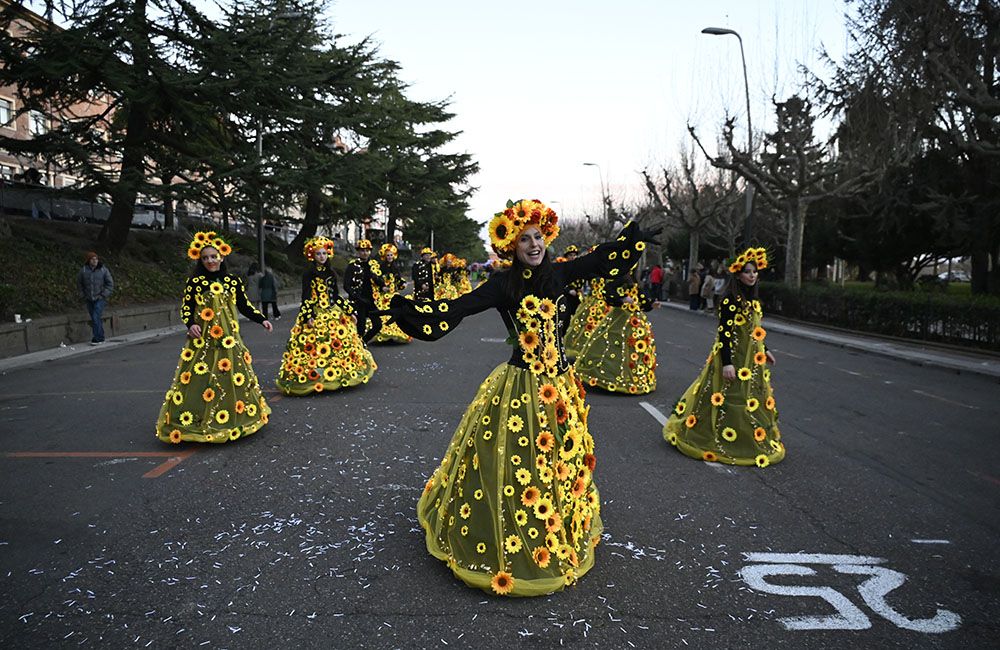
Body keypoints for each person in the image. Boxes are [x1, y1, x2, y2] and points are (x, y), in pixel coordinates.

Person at [380, 198, 660, 597]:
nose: (533, 244)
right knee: (513, 462)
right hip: (521, 386)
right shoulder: (502, 284)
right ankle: (505, 535)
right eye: (524, 238)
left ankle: (554, 524)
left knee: (556, 460)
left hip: (559, 386)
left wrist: (630, 238)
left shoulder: (560, 275)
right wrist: (409, 312)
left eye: (538, 236)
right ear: (510, 245)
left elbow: (600, 261)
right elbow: (458, 308)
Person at [663, 247, 784, 467]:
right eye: (747, 272)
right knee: (724, 395)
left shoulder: (753, 301)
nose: (752, 275)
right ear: (738, 274)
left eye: (755, 272)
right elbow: (724, 335)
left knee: (747, 397)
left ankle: (745, 437)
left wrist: (765, 350)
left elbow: (755, 329)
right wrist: (727, 363)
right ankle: (714, 436)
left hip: (751, 361)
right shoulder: (730, 300)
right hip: (733, 358)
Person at [155, 232, 273, 444]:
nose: (210, 260)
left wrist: (261, 319)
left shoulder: (232, 281)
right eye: (205, 258)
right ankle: (199, 418)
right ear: (200, 260)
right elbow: (187, 308)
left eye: (213, 256)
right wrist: (190, 325)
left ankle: (234, 417)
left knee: (231, 375)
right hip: (203, 339)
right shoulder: (195, 282)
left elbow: (244, 305)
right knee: (202, 375)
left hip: (229, 337)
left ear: (221, 257)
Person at [276, 237, 376, 394]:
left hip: (332, 310)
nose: (322, 256)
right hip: (316, 311)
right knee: (314, 346)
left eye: (324, 253)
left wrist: (349, 311)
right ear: (312, 256)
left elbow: (335, 296)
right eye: (318, 254)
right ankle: (316, 376)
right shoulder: (308, 274)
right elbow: (306, 296)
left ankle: (337, 375)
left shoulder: (331, 272)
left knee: (339, 344)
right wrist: (308, 314)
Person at [573, 276, 658, 394]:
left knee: (632, 349)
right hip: (619, 318)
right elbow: (608, 293)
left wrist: (651, 303)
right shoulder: (618, 279)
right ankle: (608, 376)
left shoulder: (633, 281)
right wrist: (622, 299)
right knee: (610, 344)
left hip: (634, 320)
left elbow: (641, 298)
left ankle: (633, 379)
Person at [344, 238, 384, 339]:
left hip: (371, 300)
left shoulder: (374, 265)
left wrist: (375, 277)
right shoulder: (352, 265)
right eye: (362, 250)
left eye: (367, 250)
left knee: (378, 324)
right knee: (360, 327)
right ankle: (360, 345)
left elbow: (381, 283)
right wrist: (355, 296)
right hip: (359, 301)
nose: (365, 253)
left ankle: (364, 341)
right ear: (358, 252)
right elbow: (346, 285)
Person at [372, 243, 412, 344]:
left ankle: (395, 334)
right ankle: (384, 334)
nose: (389, 257)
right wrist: (382, 286)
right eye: (388, 255)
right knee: (384, 313)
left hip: (394, 294)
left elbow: (398, 279)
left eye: (391, 255)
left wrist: (402, 283)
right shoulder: (381, 267)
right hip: (384, 295)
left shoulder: (395, 267)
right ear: (384, 256)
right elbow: (376, 278)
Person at [77, 251, 114, 345]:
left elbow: (110, 284)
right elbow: (79, 284)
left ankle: (96, 338)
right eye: (93, 259)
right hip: (89, 298)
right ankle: (101, 337)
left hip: (100, 298)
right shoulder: (84, 271)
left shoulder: (103, 270)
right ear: (89, 260)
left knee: (95, 316)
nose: (95, 261)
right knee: (95, 318)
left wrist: (104, 294)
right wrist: (82, 294)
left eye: (96, 259)